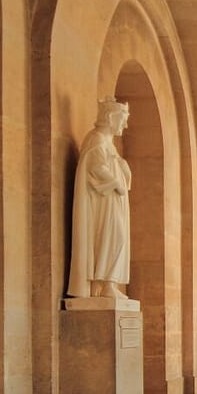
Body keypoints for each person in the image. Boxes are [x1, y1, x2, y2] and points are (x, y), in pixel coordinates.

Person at [67, 97, 132, 298]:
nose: (125, 124)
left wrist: (122, 171)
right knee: (112, 237)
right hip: (103, 203)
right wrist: (116, 183)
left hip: (112, 202)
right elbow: (95, 167)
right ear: (111, 117)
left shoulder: (108, 144)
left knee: (116, 237)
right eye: (122, 119)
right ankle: (105, 284)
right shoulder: (96, 139)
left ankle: (108, 283)